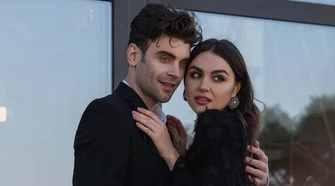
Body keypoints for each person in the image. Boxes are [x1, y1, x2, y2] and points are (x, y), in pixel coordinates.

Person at [72, 3, 269, 185]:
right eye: (165, 58)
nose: (175, 73)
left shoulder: (170, 135)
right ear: (134, 55)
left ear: (236, 87)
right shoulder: (107, 115)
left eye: (183, 63)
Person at [133, 39, 269, 185]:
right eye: (196, 74)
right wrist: (185, 155)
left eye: (218, 78)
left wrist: (170, 153)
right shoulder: (231, 127)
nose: (203, 86)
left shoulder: (217, 125)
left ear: (236, 88)